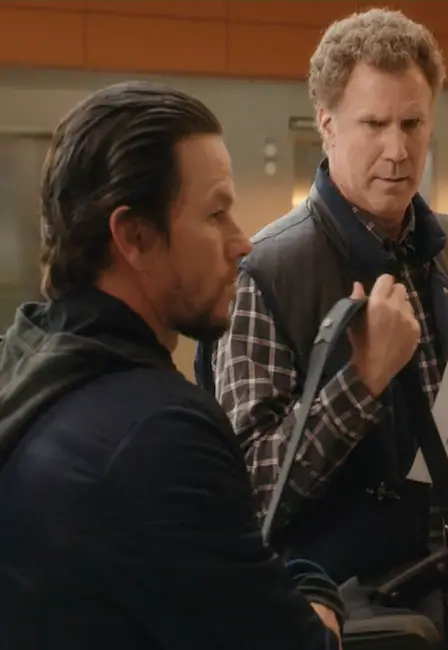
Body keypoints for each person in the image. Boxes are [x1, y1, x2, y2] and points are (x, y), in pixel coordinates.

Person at [202, 8, 448, 589]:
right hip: (348, 611)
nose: (397, 149)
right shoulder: (267, 272)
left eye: (412, 123)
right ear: (327, 125)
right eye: (373, 124)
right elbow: (252, 488)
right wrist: (361, 381)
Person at [0, 81, 345, 649]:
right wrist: (316, 594)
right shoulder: (160, 433)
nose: (242, 243)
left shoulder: (22, 359)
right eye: (216, 214)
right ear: (135, 236)